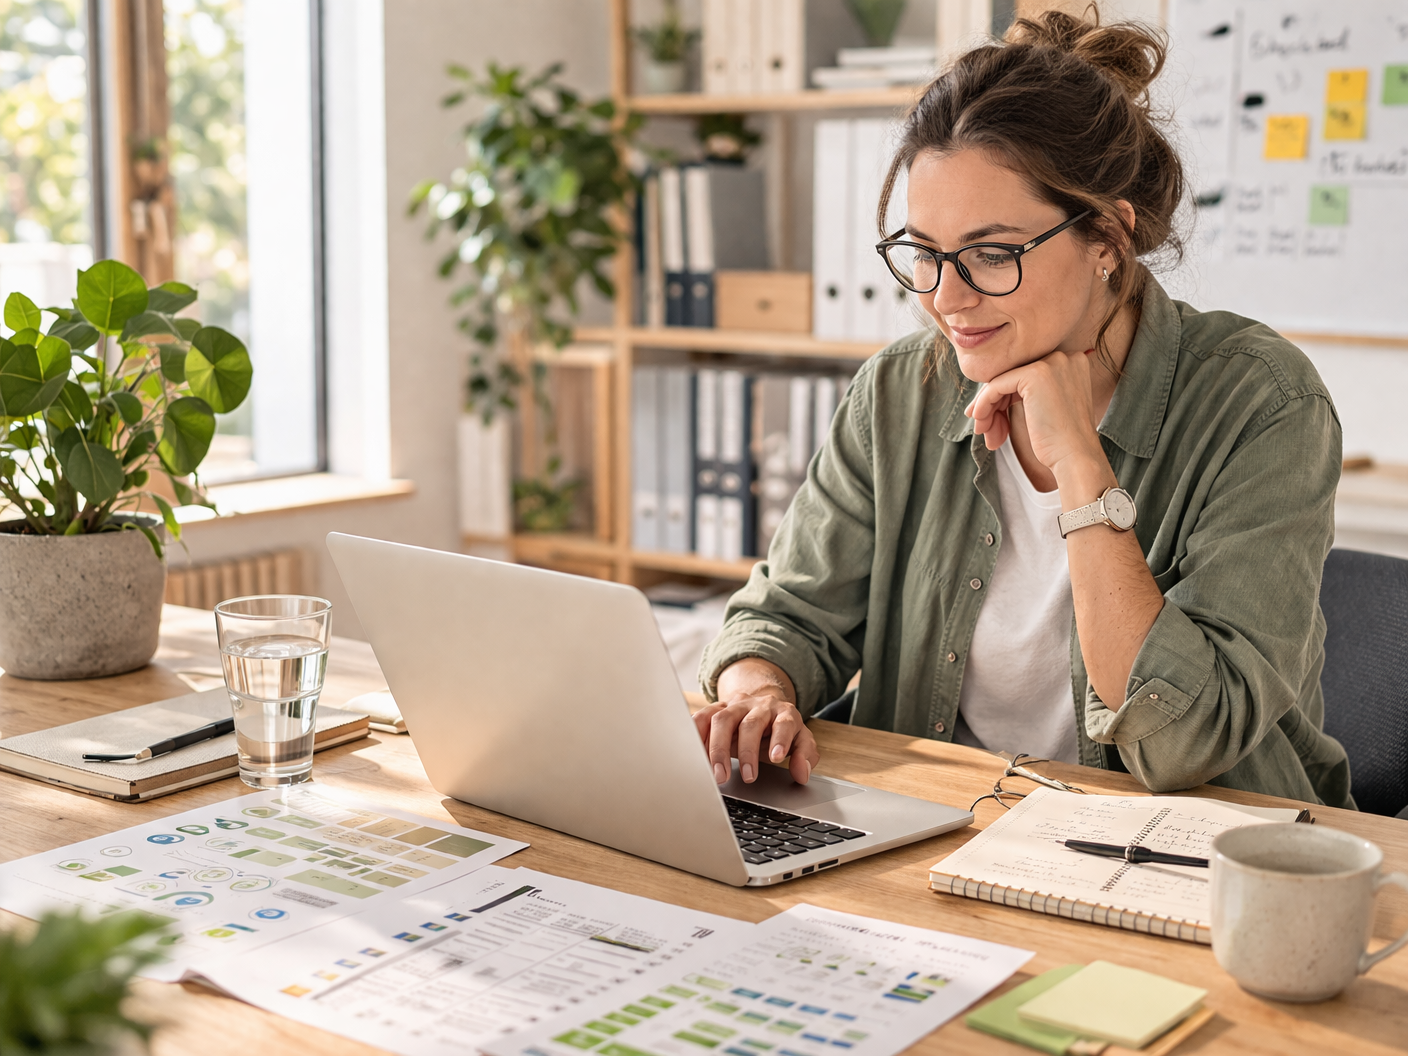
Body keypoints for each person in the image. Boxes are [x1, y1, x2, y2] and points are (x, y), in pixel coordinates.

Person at [694, 10, 1354, 809]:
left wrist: (1081, 467)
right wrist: (759, 694)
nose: (947, 298)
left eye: (991, 253)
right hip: (943, 827)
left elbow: (1186, 741)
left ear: (1108, 237)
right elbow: (789, 616)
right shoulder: (902, 391)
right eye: (925, 253)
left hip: (1184, 848)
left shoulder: (1263, 403)